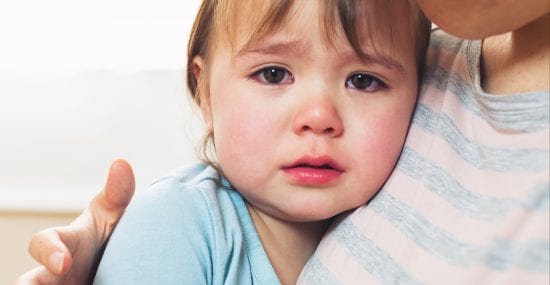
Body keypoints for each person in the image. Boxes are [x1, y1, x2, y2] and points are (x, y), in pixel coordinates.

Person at [17, 0, 550, 284]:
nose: (319, 117)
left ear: (416, 87)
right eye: (273, 74)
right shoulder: (177, 226)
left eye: (364, 81)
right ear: (205, 94)